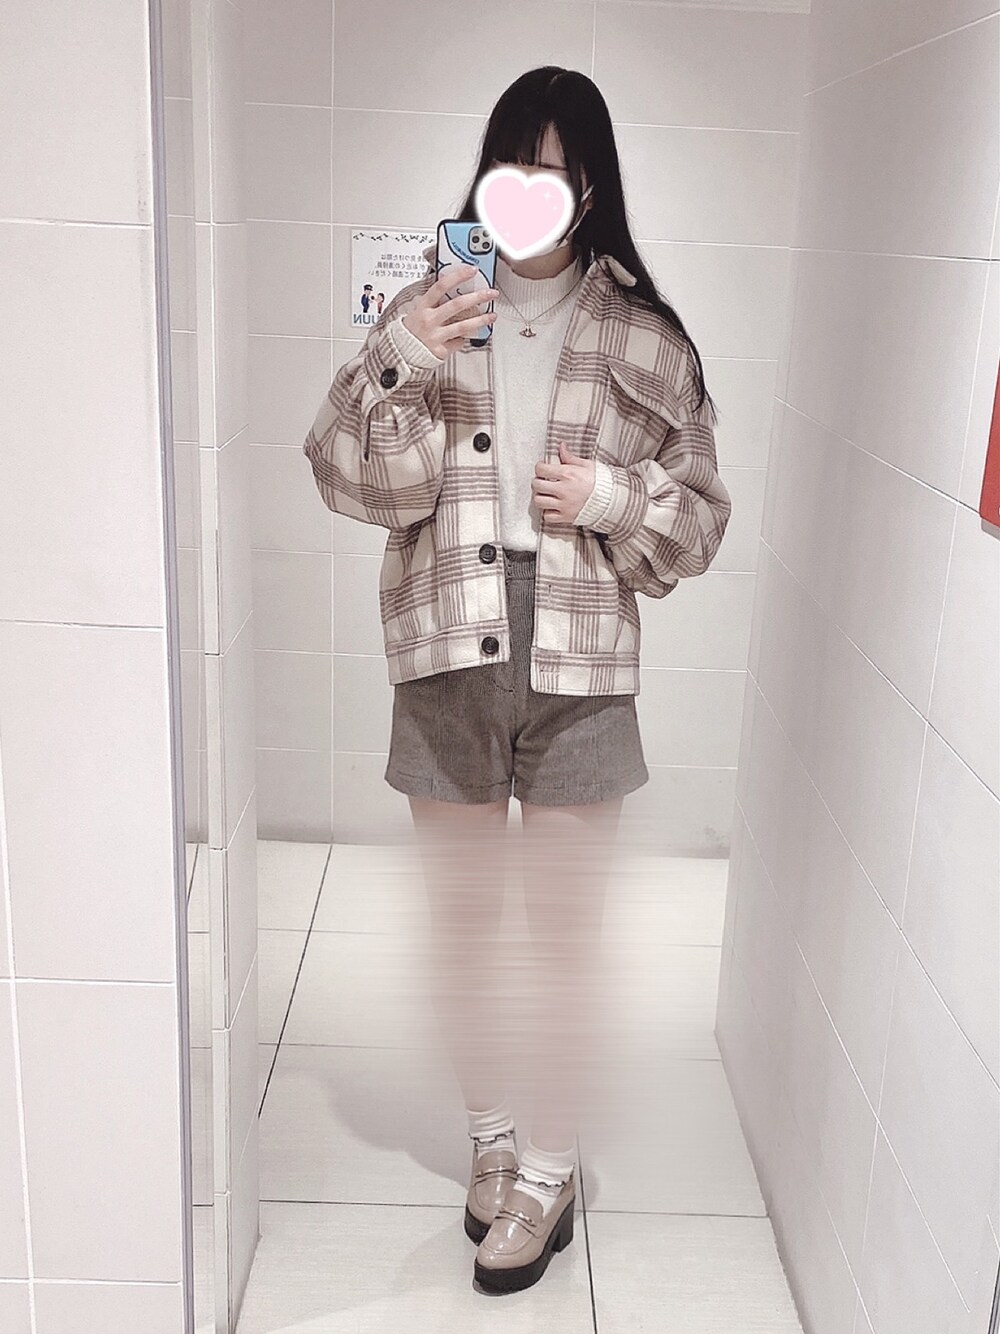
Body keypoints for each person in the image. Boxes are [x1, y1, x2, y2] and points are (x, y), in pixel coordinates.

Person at [302, 66, 732, 1295]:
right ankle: (492, 1139)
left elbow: (698, 528)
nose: (528, 187)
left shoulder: (647, 339)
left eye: (551, 168)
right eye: (510, 163)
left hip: (581, 658)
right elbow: (347, 478)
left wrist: (605, 496)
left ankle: (548, 1169)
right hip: (449, 644)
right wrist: (400, 352)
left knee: (564, 939)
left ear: (589, 185)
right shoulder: (428, 310)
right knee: (461, 928)